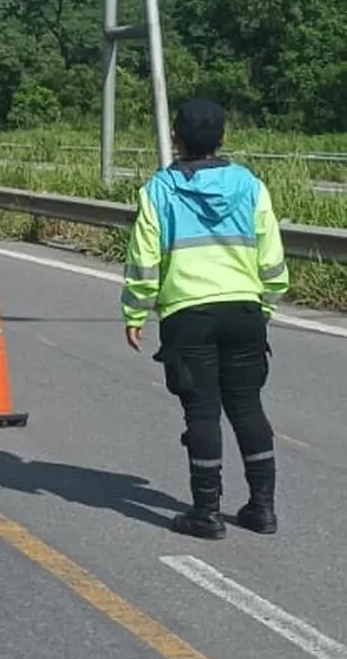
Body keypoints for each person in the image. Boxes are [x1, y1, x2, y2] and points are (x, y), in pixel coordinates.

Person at [122, 98, 289, 540]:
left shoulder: (158, 190)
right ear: (224, 138)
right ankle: (262, 508)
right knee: (248, 407)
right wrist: (265, 305)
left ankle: (206, 513)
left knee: (202, 413)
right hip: (244, 310)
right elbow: (272, 257)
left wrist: (135, 312)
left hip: (188, 313)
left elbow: (144, 262)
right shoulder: (250, 185)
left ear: (175, 138)